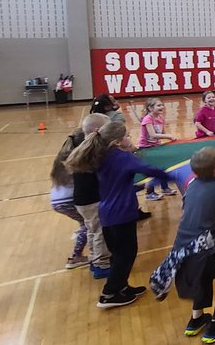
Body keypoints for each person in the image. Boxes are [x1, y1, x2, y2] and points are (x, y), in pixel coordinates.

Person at [65, 121, 172, 309]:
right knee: (126, 254)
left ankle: (122, 286)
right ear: (117, 141)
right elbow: (150, 170)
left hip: (108, 214)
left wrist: (140, 186)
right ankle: (109, 293)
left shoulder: (101, 156)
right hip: (121, 215)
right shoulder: (122, 158)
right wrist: (172, 173)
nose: (129, 138)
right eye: (127, 135)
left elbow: (117, 183)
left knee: (118, 254)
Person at [149, 147, 215, 342]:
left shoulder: (191, 183)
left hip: (182, 245)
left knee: (204, 275)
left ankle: (197, 319)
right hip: (203, 246)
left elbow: (191, 210)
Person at [51, 113, 109, 274]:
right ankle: (83, 259)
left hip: (61, 199)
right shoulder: (84, 156)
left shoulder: (69, 154)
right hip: (73, 199)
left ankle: (93, 256)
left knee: (90, 227)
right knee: (91, 227)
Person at [68, 113, 114, 279]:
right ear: (97, 130)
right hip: (91, 199)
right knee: (99, 231)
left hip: (82, 199)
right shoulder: (93, 151)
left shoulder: (81, 146)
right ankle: (102, 264)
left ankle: (95, 260)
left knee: (92, 230)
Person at [138, 98, 178, 200]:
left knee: (162, 166)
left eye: (162, 105)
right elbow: (153, 134)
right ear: (150, 108)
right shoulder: (148, 119)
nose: (162, 107)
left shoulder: (160, 118)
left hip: (156, 146)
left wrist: (170, 139)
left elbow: (162, 133)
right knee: (152, 169)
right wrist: (168, 136)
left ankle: (165, 188)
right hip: (146, 148)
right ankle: (149, 193)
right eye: (158, 105)